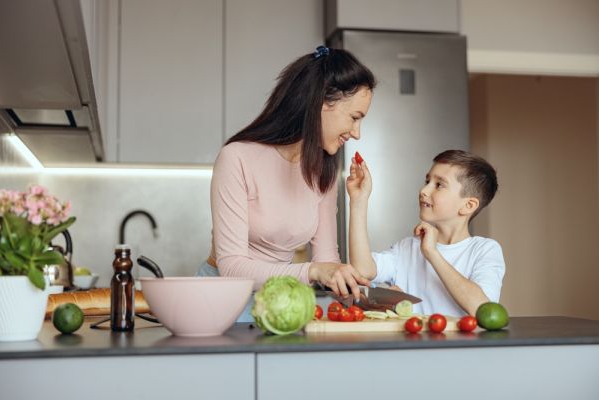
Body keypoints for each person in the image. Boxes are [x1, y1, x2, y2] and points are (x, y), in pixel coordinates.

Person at [198, 46, 377, 302]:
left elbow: (327, 260)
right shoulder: (237, 157)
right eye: (354, 117)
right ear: (323, 103)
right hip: (219, 298)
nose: (357, 133)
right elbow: (232, 268)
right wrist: (313, 271)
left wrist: (344, 282)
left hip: (277, 298)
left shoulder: (323, 170)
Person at [347, 149, 505, 316]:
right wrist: (358, 201)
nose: (424, 190)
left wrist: (432, 253)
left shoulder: (485, 250)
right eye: (427, 181)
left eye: (439, 185)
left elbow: (482, 309)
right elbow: (363, 269)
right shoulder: (407, 247)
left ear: (468, 205)